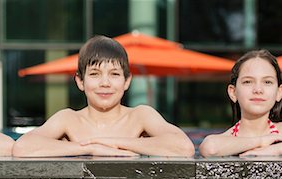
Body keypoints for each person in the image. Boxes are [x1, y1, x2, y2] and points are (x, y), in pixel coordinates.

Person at [13, 35, 194, 157]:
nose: (105, 83)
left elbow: (183, 147)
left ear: (127, 81)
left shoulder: (140, 116)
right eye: (95, 74)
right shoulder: (68, 119)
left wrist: (113, 143)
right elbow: (22, 147)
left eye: (114, 74)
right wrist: (90, 148)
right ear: (80, 81)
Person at [199, 49, 282, 157]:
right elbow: (209, 148)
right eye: (248, 82)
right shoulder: (226, 139)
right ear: (233, 92)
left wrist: (279, 148)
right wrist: (261, 141)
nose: (258, 90)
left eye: (267, 82)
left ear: (279, 92)